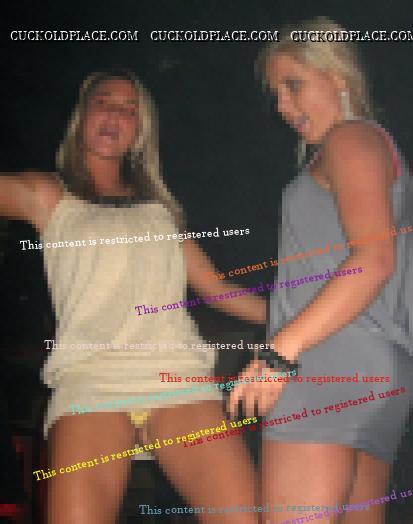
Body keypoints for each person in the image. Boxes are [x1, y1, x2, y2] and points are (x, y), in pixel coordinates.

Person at [0, 70, 265, 524]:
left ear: (140, 131)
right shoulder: (48, 195)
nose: (115, 115)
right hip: (91, 379)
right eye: (104, 102)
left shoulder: (160, 213)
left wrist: (300, 318)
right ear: (82, 114)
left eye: (129, 109)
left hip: (177, 377)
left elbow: (218, 290)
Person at [229, 16, 413, 524]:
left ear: (337, 75)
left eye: (294, 85)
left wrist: (280, 352)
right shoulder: (379, 148)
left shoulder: (349, 139)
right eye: (276, 94)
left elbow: (374, 261)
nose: (282, 106)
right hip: (379, 369)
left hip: (326, 360)